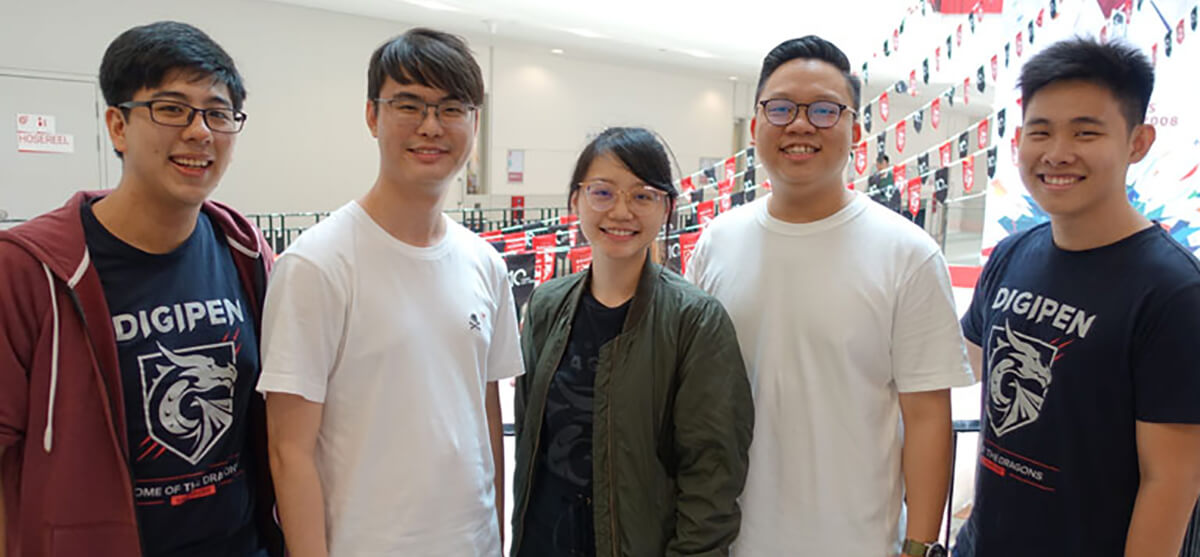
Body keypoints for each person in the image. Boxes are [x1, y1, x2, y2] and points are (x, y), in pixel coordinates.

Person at [0, 21, 281, 557]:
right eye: (171, 108)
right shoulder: (28, 270)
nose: (200, 132)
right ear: (117, 125)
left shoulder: (246, 252)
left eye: (218, 113)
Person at [685, 35, 973, 557]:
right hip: (729, 540)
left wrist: (919, 546)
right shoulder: (716, 243)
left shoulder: (908, 254)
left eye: (824, 110)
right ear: (755, 126)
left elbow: (928, 417)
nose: (800, 125)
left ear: (855, 129)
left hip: (858, 542)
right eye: (780, 108)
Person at [257, 28, 521, 556]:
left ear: (473, 122)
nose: (431, 126)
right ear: (373, 116)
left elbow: (487, 414)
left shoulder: (485, 264)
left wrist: (495, 535)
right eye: (409, 105)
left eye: (451, 108)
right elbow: (290, 453)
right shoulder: (317, 264)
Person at [954, 37, 1200, 557]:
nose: (1057, 153)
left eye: (1086, 132)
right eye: (1040, 132)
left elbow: (1171, 481)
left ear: (1138, 142)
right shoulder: (1013, 253)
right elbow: (960, 364)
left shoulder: (1175, 292)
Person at [510, 126, 753, 556]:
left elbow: (712, 479)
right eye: (602, 193)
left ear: (667, 209)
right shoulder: (547, 307)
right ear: (575, 200)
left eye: (642, 196)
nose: (621, 211)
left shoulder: (694, 320)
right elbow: (531, 449)